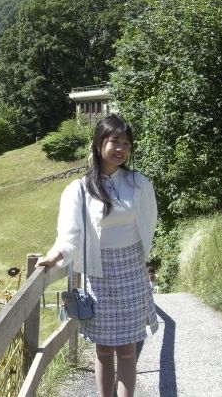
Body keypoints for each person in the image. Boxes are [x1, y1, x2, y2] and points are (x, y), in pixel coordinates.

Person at [37, 114, 159, 397]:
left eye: (126, 143)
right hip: (98, 272)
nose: (121, 148)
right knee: (103, 349)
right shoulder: (79, 189)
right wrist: (55, 257)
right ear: (98, 142)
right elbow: (69, 234)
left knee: (128, 350)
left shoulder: (138, 184)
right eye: (115, 141)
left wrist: (142, 257)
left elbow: (148, 221)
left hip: (131, 270)